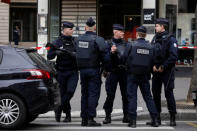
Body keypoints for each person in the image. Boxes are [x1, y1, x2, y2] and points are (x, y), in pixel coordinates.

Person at [75, 17, 110, 126]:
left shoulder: (78, 39)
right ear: (95, 27)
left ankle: (84, 119)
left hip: (82, 71)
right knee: (93, 94)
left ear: (85, 27)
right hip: (94, 70)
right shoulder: (98, 39)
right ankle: (90, 118)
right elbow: (106, 57)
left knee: (84, 94)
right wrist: (107, 69)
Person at [126, 26, 159, 128]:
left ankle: (133, 121)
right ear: (145, 35)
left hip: (132, 75)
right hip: (145, 76)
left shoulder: (131, 45)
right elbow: (154, 61)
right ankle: (155, 120)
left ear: (137, 34)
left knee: (132, 98)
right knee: (148, 98)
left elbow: (124, 57)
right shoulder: (151, 47)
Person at [147, 18, 178, 126]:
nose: (155, 27)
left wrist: (163, 66)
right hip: (156, 71)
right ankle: (157, 118)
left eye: (157, 26)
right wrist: (153, 66)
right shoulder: (155, 38)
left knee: (168, 93)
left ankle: (172, 117)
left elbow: (173, 56)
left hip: (167, 71)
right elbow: (151, 53)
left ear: (162, 27)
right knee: (155, 94)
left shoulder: (171, 39)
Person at [47, 21, 78, 123]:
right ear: (64, 30)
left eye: (72, 29)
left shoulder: (75, 41)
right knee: (62, 93)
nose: (72, 30)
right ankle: (68, 115)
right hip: (61, 72)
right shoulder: (57, 42)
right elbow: (49, 56)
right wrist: (56, 52)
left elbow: (82, 54)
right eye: (70, 29)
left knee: (69, 92)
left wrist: (75, 54)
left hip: (73, 71)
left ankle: (58, 108)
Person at [102, 24, 128, 124]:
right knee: (110, 95)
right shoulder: (108, 44)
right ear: (115, 32)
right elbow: (104, 59)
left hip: (124, 72)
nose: (123, 33)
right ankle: (108, 116)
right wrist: (111, 53)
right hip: (112, 72)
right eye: (121, 31)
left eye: (123, 31)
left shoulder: (126, 43)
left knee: (125, 95)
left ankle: (126, 116)